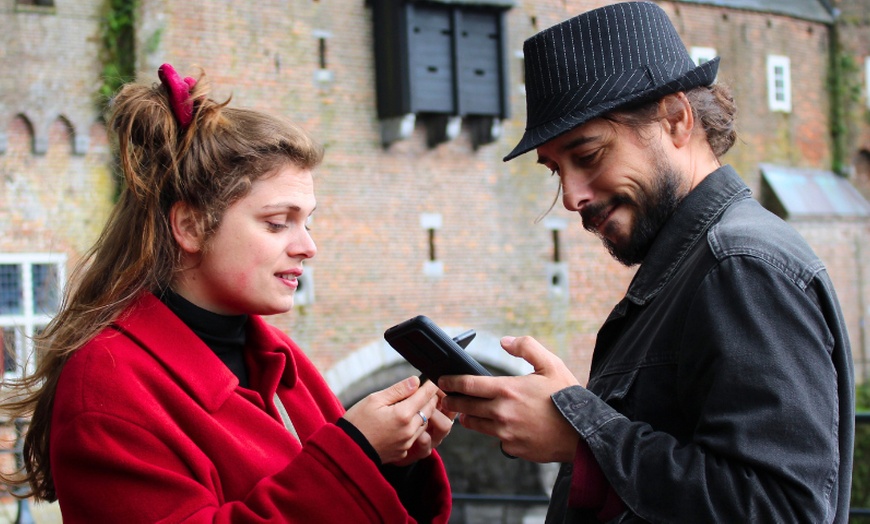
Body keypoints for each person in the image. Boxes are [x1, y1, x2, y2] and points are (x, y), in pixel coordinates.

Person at [439, 2, 855, 523]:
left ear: (677, 119)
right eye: (555, 171)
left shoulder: (741, 267)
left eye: (588, 155)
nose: (571, 197)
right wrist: (577, 412)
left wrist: (585, 437)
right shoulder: (696, 266)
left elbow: (782, 510)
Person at [0, 64, 453, 522]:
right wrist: (354, 454)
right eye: (278, 223)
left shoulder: (279, 356)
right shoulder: (107, 383)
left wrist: (395, 465)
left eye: (307, 222)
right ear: (191, 225)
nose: (308, 247)